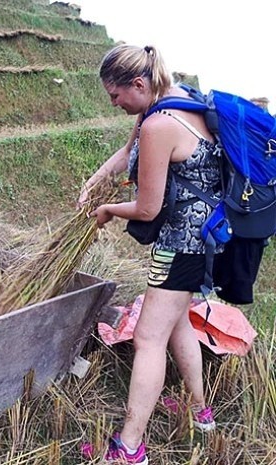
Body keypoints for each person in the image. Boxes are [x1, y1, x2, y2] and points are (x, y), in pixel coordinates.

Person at [80, 44, 220, 464]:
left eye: (115, 95)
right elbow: (127, 154)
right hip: (203, 242)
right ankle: (201, 413)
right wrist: (94, 181)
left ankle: (129, 448)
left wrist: (105, 210)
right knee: (177, 324)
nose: (114, 102)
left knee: (147, 338)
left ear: (138, 84)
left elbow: (146, 209)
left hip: (183, 247)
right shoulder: (178, 99)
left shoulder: (161, 125)